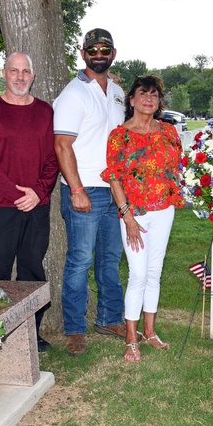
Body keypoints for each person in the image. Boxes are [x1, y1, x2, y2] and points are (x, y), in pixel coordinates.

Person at [0, 52, 59, 352]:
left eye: (25, 71)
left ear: (33, 76)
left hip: (37, 207)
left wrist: (37, 192)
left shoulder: (45, 112)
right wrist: (16, 194)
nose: (20, 77)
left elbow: (53, 159)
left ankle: (30, 334)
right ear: (4, 73)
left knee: (32, 271)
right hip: (0, 207)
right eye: (14, 71)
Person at [53, 28, 128, 356]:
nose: (99, 54)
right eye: (92, 49)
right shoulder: (73, 94)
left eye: (105, 49)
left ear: (113, 53)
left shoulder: (117, 91)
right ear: (82, 53)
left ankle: (110, 318)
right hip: (85, 189)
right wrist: (76, 189)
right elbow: (62, 144)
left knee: (111, 259)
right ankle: (74, 329)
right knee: (80, 260)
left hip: (115, 190)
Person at [102, 75, 184, 361]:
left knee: (154, 273)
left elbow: (175, 169)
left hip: (164, 211)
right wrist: (128, 218)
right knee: (137, 274)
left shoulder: (170, 132)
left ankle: (149, 333)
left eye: (154, 95)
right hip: (134, 215)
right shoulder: (119, 135)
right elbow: (114, 179)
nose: (149, 99)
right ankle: (130, 338)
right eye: (143, 94)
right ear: (132, 100)